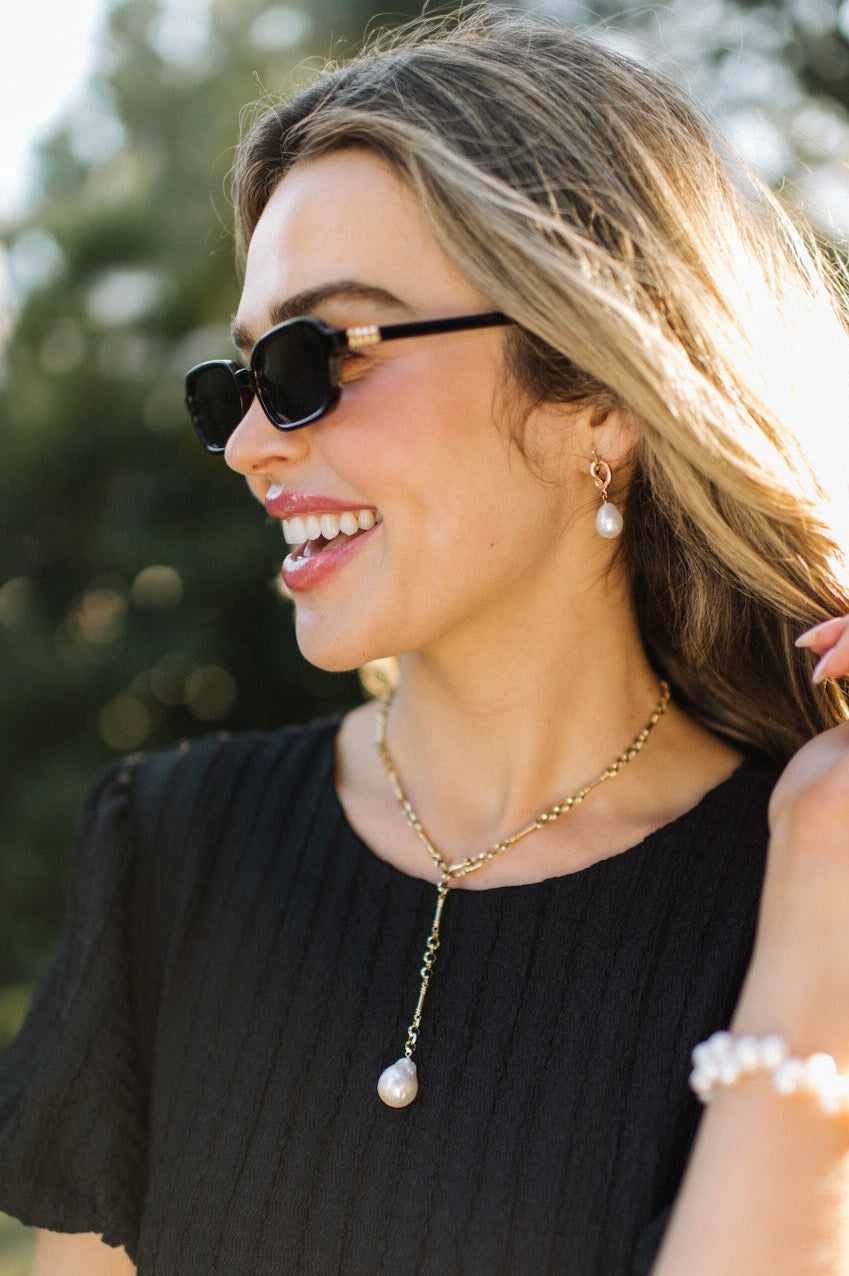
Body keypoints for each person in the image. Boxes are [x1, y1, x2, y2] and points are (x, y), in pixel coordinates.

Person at [2, 8, 849, 1274]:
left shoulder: (810, 886)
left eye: (313, 357)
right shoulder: (171, 852)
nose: (248, 444)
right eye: (234, 382)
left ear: (598, 396)